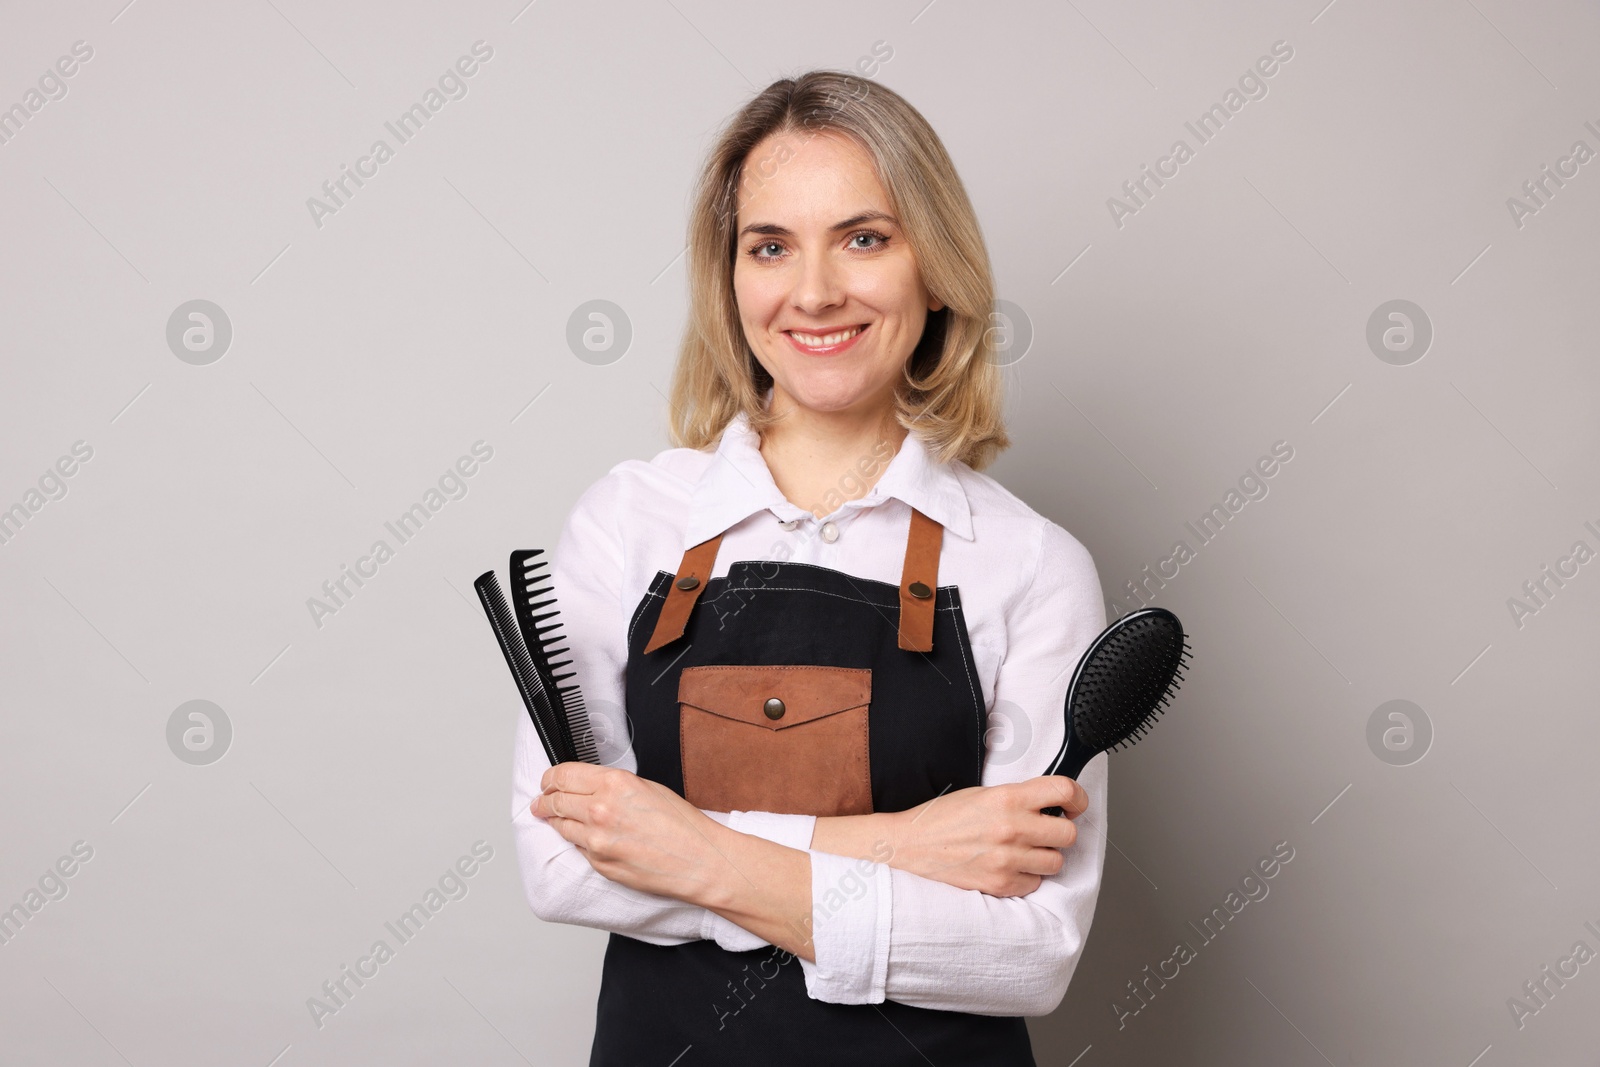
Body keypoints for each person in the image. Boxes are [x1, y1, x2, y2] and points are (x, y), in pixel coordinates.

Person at [511, 69, 1109, 1066]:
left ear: (934, 266)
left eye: (864, 238)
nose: (815, 290)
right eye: (771, 245)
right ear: (730, 275)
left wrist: (696, 852)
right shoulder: (628, 522)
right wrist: (900, 847)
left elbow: (1029, 953)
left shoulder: (1031, 564)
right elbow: (561, 864)